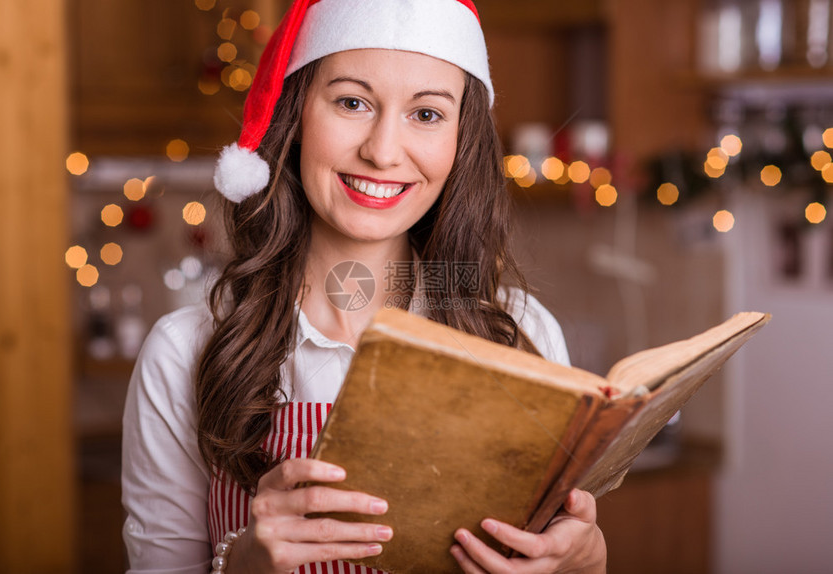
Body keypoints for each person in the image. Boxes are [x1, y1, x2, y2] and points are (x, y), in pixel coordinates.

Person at [121, 0, 608, 573]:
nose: (381, 151)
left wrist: (586, 563)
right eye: (352, 102)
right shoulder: (185, 353)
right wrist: (246, 564)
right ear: (297, 115)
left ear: (460, 141)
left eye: (426, 115)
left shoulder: (521, 332)